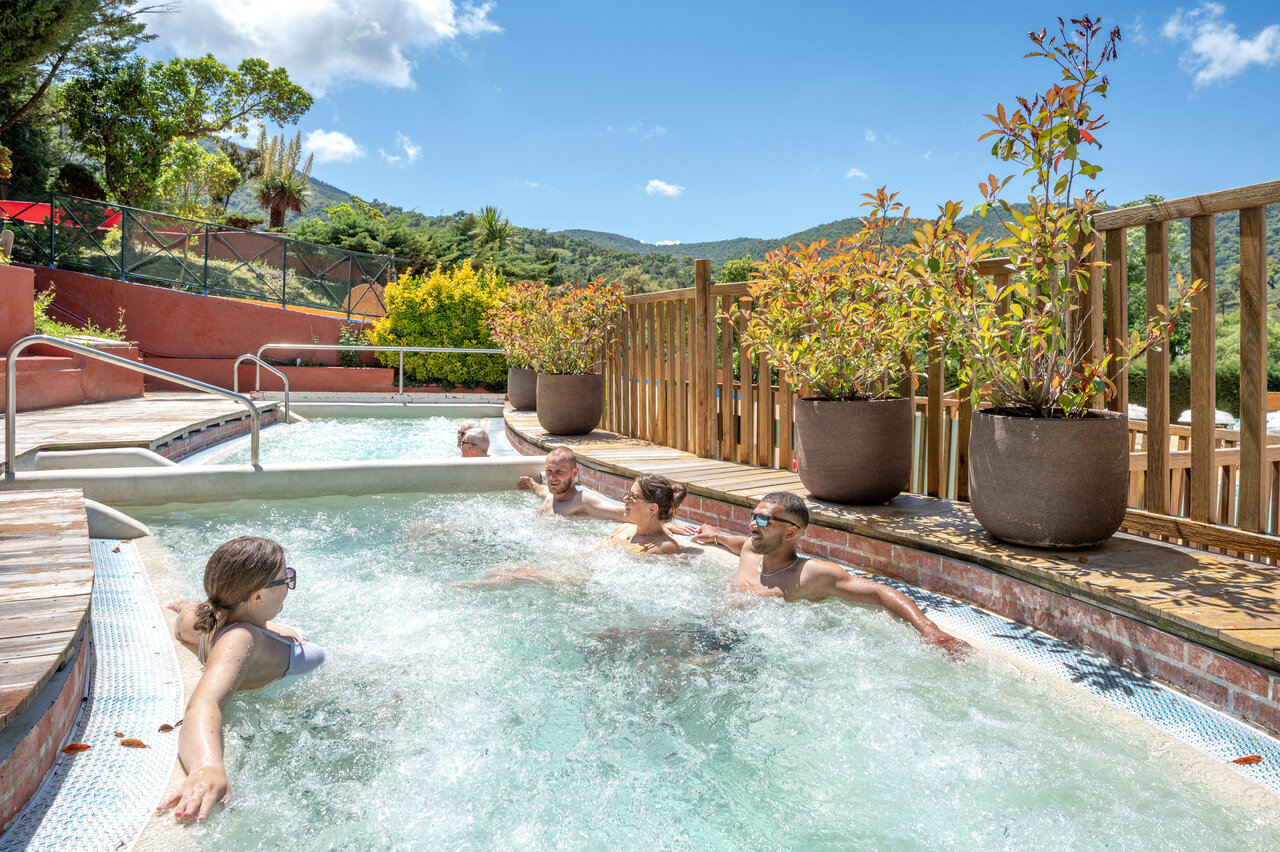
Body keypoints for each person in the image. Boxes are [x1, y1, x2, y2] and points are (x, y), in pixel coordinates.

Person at [160, 537, 325, 822]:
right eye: (285, 579)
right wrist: (206, 765)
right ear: (257, 597)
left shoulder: (206, 618)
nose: (289, 584)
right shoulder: (239, 639)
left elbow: (184, 623)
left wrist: (188, 606)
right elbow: (204, 703)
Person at [691, 491, 971, 658]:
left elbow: (880, 592)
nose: (753, 525)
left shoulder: (810, 574)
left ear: (791, 532)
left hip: (745, 650)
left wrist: (931, 632)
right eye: (753, 516)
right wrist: (715, 536)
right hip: (707, 630)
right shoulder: (751, 550)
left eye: (763, 520)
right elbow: (737, 543)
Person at [607, 473, 687, 555]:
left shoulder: (666, 547)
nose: (625, 498)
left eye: (633, 496)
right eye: (628, 493)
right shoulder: (622, 529)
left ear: (652, 508)